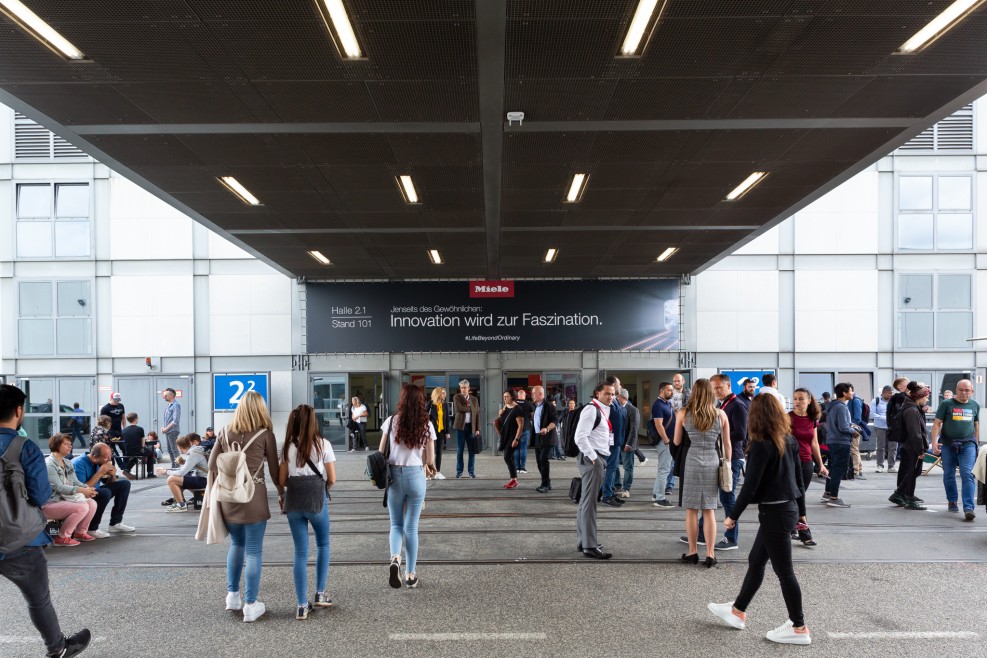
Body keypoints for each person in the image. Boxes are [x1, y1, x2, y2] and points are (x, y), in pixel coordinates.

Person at [708, 394, 811, 646]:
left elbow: (750, 487)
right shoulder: (790, 440)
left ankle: (799, 627)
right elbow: (798, 482)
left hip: (774, 514)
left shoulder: (761, 445)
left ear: (757, 416)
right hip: (783, 511)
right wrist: (802, 512)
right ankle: (738, 610)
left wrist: (732, 515)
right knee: (756, 560)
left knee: (784, 572)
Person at [0, 385, 93, 658]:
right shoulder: (23, 447)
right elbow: (42, 495)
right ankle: (58, 647)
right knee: (37, 599)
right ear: (19, 411)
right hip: (20, 540)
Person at [208, 390, 282, 622]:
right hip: (253, 497)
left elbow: (211, 465)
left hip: (229, 497)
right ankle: (251, 604)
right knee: (254, 551)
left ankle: (232, 596)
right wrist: (282, 492)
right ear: (261, 409)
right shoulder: (265, 435)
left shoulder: (224, 432)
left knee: (237, 544)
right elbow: (274, 470)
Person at [278, 404, 336, 619]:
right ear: (313, 421)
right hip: (316, 499)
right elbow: (332, 479)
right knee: (323, 544)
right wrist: (321, 490)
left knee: (300, 553)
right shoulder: (323, 444)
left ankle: (302, 605)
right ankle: (320, 593)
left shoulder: (286, 447)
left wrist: (282, 494)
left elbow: (282, 480)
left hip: (294, 501)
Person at [380, 384, 436, 589]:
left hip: (394, 476)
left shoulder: (391, 421)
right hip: (415, 476)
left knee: (395, 525)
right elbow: (430, 459)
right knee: (411, 528)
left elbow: (380, 451)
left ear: (401, 400)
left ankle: (395, 558)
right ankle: (410, 575)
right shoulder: (426, 424)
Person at [675, 379, 731, 567]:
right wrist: (728, 464)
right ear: (710, 393)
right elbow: (727, 444)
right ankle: (710, 553)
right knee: (709, 510)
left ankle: (692, 552)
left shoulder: (683, 413)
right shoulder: (720, 414)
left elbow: (676, 442)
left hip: (691, 460)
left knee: (691, 510)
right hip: (713, 460)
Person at [695, 374, 748, 551]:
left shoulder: (737, 405)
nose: (716, 391)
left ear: (728, 385)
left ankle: (731, 538)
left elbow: (741, 434)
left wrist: (717, 435)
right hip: (721, 456)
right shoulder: (723, 404)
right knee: (712, 495)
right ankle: (702, 533)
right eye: (713, 388)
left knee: (727, 497)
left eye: (719, 387)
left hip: (731, 458)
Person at [575, 382, 615, 559]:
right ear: (597, 393)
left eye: (613, 394)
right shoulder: (592, 410)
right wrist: (594, 459)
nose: (611, 397)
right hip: (593, 459)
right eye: (607, 393)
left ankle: (584, 541)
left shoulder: (602, 409)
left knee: (585, 501)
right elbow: (580, 437)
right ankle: (589, 546)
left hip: (596, 457)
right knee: (589, 503)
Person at [931, 379, 979, 521]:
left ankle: (968, 507)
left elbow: (976, 425)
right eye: (961, 390)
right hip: (948, 444)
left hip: (968, 444)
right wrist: (934, 443)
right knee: (949, 474)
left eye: (967, 390)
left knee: (968, 474)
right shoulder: (946, 404)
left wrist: (976, 444)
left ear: (972, 391)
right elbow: (936, 424)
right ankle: (952, 500)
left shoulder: (975, 405)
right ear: (956, 390)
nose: (964, 392)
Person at [43, 434, 99, 546]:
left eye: (70, 444)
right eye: (66, 444)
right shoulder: (49, 464)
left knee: (92, 503)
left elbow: (75, 482)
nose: (70, 446)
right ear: (56, 445)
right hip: (49, 503)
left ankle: (80, 533)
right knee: (81, 507)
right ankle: (61, 537)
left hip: (64, 500)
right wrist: (83, 491)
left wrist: (88, 489)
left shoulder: (67, 462)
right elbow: (59, 488)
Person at [789, 389, 827, 546]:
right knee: (796, 495)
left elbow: (814, 443)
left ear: (809, 400)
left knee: (799, 494)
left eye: (801, 399)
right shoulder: (787, 418)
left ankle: (793, 525)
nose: (797, 401)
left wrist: (820, 464)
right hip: (790, 462)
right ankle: (804, 532)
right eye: (795, 399)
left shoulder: (813, 419)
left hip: (806, 463)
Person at [71, 443, 135, 538]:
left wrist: (112, 475)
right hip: (79, 494)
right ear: (95, 456)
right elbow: (83, 488)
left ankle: (115, 523)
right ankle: (92, 528)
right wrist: (100, 472)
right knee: (105, 492)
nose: (109, 460)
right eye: (106, 457)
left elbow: (109, 483)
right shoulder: (79, 463)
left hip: (94, 490)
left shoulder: (98, 462)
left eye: (110, 457)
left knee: (124, 484)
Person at [889, 382, 932, 511]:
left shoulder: (911, 407)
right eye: (926, 396)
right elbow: (915, 432)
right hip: (912, 446)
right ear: (919, 397)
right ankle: (908, 496)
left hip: (909, 445)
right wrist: (920, 449)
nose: (927, 399)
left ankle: (900, 493)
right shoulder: (912, 410)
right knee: (913, 471)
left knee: (914, 471)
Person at [822, 383, 855, 508]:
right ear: (845, 393)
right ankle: (834, 498)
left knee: (833, 467)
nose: (852, 393)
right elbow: (843, 427)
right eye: (851, 391)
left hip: (832, 440)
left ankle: (828, 492)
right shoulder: (842, 407)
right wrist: (854, 431)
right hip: (841, 442)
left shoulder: (832, 406)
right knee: (838, 470)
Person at [158, 434, 209, 512]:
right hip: (205, 478)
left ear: (180, 447)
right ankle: (181, 501)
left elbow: (181, 472)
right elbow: (186, 469)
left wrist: (165, 472)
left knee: (171, 479)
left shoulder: (193, 453)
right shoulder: (195, 450)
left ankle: (181, 505)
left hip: (204, 480)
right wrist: (168, 469)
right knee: (178, 477)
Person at [601, 375, 627, 507]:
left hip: (617, 441)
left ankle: (610, 492)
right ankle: (606, 495)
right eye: (619, 383)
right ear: (613, 384)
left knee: (613, 467)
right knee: (611, 468)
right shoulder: (609, 403)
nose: (620, 386)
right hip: (611, 441)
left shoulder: (616, 401)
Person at [651, 382, 675, 509]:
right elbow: (658, 424)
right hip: (664, 442)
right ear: (662, 391)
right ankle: (660, 498)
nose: (672, 392)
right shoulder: (658, 405)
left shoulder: (667, 404)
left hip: (668, 441)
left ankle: (656, 494)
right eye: (669, 390)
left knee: (664, 468)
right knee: (664, 470)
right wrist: (666, 440)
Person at [531, 385, 559, 493]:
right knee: (539, 462)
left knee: (543, 460)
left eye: (534, 393)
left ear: (540, 394)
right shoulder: (535, 406)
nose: (532, 395)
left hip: (547, 437)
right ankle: (547, 482)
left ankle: (545, 484)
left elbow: (555, 421)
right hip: (538, 437)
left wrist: (547, 428)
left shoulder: (549, 406)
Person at [452, 379, 481, 478]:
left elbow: (477, 414)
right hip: (460, 427)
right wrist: (470, 408)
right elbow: (459, 409)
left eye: (465, 387)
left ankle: (471, 472)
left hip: (471, 427)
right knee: (460, 451)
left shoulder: (474, 399)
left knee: (471, 451)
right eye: (461, 388)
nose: (463, 389)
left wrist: (477, 428)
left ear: (468, 388)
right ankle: (459, 471)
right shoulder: (457, 397)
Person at [617, 389, 640, 499]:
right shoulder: (615, 408)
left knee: (628, 468)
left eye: (618, 397)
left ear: (623, 398)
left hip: (627, 444)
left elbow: (634, 429)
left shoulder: (633, 410)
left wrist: (629, 444)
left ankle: (626, 488)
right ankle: (617, 486)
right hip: (616, 444)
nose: (616, 399)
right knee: (614, 466)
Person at [426, 387, 451, 480]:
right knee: (429, 452)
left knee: (439, 452)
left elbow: (447, 419)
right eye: (442, 393)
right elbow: (424, 416)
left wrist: (447, 431)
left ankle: (438, 472)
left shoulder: (444, 405)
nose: (444, 395)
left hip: (441, 431)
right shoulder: (431, 404)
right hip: (431, 431)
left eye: (445, 393)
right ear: (437, 394)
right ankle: (428, 472)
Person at [498, 390, 521, 489]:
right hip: (505, 436)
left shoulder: (517, 409)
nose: (505, 398)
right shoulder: (505, 407)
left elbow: (520, 426)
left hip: (512, 436)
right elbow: (501, 420)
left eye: (507, 396)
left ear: (512, 397)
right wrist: (500, 413)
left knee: (507, 457)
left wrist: (516, 439)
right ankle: (514, 479)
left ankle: (513, 479)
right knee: (509, 458)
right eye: (504, 396)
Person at [120, 412, 155, 479]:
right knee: (150, 453)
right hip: (138, 451)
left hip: (128, 452)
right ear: (136, 419)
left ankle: (127, 470)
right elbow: (143, 443)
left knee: (135, 457)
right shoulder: (140, 429)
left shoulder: (124, 430)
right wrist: (143, 446)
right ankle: (150, 473)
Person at [871, 386, 896, 473]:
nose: (891, 395)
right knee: (880, 447)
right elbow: (872, 414)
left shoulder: (894, 401)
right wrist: (885, 418)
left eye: (892, 393)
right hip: (880, 427)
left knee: (893, 447)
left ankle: (891, 466)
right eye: (889, 393)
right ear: (884, 393)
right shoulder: (876, 401)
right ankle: (880, 465)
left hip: (892, 427)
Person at [847, 387, 870, 479]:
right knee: (854, 449)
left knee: (853, 449)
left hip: (855, 428)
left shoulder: (855, 401)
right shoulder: (852, 400)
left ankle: (856, 471)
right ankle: (858, 470)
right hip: (854, 427)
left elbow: (857, 417)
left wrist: (850, 425)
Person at [513, 388, 533, 474]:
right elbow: (532, 416)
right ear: (524, 396)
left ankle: (517, 467)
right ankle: (523, 468)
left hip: (515, 430)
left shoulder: (514, 404)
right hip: (525, 429)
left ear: (518, 396)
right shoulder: (529, 404)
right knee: (523, 448)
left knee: (516, 448)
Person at [160, 388, 182, 468]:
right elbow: (167, 420)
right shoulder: (169, 405)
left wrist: (166, 429)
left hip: (172, 431)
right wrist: (163, 427)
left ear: (171, 395)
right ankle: (174, 466)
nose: (164, 397)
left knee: (174, 449)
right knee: (170, 450)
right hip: (168, 431)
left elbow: (175, 420)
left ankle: (177, 466)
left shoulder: (176, 405)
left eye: (166, 395)